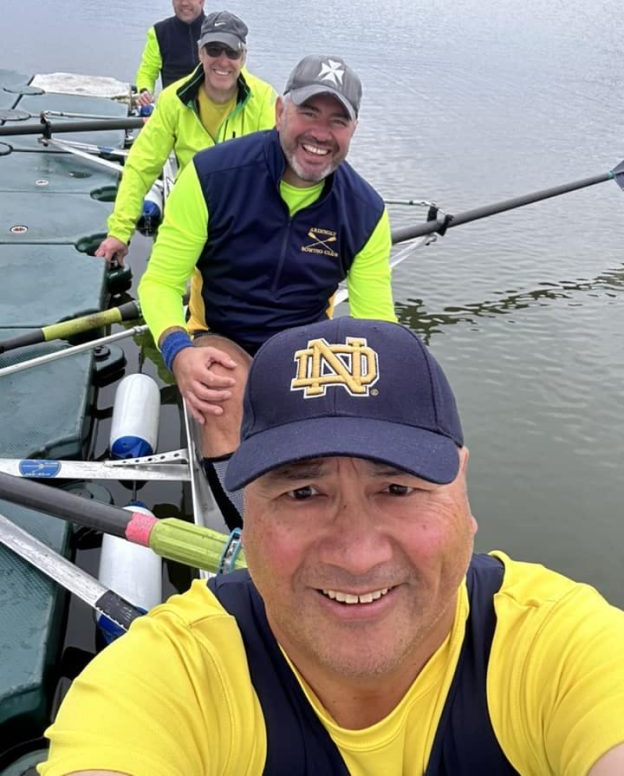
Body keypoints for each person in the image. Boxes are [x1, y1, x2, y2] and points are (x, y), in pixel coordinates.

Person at [39, 316, 624, 775]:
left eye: (398, 488)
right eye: (302, 493)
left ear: (463, 491)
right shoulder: (173, 676)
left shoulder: (560, 649)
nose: (357, 554)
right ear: (247, 517)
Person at [137, 54, 397, 523]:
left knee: (366, 423)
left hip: (306, 347)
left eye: (337, 120)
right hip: (223, 333)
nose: (321, 133)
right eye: (309, 113)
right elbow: (158, 283)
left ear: (352, 131)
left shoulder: (366, 211)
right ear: (280, 111)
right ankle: (246, 530)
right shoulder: (213, 177)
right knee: (221, 389)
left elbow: (379, 326)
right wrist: (178, 351)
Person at [95, 10, 276, 265]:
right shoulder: (172, 99)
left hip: (241, 226)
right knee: (159, 288)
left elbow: (279, 175)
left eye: (232, 52)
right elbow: (140, 166)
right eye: (214, 50)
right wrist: (119, 231)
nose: (222, 61)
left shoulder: (265, 100)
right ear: (200, 52)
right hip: (186, 218)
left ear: (243, 57)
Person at [135, 0, 206, 108]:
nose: (184, 2)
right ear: (172, 0)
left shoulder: (217, 30)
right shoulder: (159, 32)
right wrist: (144, 91)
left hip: (211, 110)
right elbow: (147, 71)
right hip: (173, 110)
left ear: (201, 0)